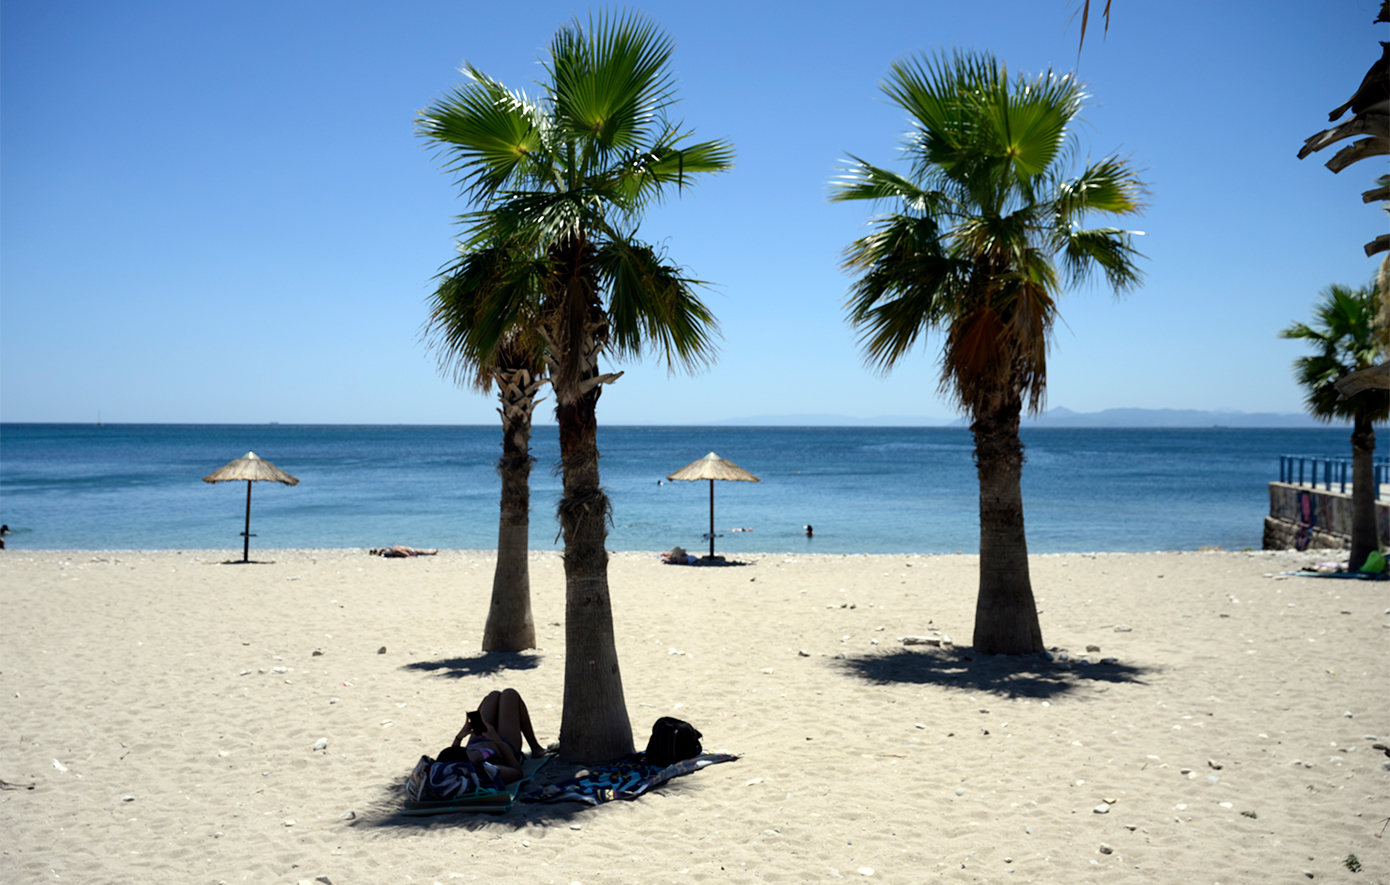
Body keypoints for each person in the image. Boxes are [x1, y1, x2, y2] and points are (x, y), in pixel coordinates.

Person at [443, 688, 547, 784]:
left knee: (493, 695)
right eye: (470, 751)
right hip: (504, 744)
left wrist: (459, 737)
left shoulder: (463, 762)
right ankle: (535, 748)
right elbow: (518, 772)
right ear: (475, 763)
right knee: (510, 694)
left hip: (480, 739)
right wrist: (495, 739)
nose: (470, 750)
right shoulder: (489, 770)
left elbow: (450, 759)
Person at [369, 545, 438, 557]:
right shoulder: (393, 548)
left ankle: (432, 553)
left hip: (410, 550)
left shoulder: (395, 550)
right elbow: (406, 555)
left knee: (421, 552)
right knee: (421, 552)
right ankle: (432, 553)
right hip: (410, 550)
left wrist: (378, 554)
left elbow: (406, 555)